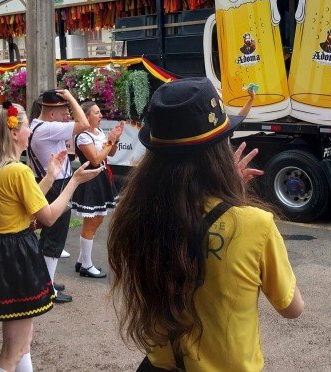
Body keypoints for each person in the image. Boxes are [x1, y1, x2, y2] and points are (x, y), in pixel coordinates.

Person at [107, 77, 304, 371]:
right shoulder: (254, 225)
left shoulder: (135, 216)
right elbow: (292, 308)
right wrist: (234, 201)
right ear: (219, 151)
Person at [0, 102, 101, 372]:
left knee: (22, 342)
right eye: (26, 125)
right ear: (13, 132)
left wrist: (51, 177)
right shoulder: (17, 170)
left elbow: (19, 207)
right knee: (13, 350)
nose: (30, 130)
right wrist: (74, 181)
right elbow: (49, 217)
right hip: (15, 255)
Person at [26, 89, 89, 303]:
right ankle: (47, 289)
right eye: (64, 112)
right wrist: (72, 97)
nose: (68, 116)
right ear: (52, 114)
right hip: (56, 185)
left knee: (49, 236)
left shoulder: (37, 125)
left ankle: (46, 281)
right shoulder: (49, 128)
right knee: (55, 237)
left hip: (49, 182)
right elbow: (84, 124)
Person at [70, 101, 124, 278]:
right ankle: (86, 265)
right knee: (92, 221)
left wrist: (115, 139)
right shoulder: (83, 136)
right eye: (97, 113)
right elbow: (95, 159)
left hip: (101, 177)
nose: (101, 115)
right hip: (91, 179)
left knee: (97, 219)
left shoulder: (99, 132)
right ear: (86, 117)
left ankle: (81, 260)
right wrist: (110, 140)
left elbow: (112, 154)